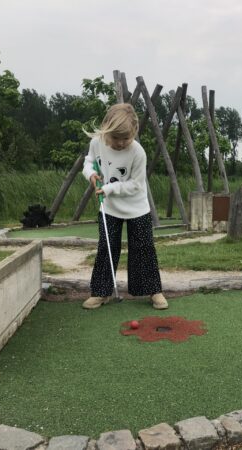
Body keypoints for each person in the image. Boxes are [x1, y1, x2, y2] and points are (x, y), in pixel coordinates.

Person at [81, 103, 168, 310]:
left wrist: (110, 189)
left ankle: (153, 291)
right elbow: (88, 163)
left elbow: (136, 185)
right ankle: (101, 292)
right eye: (115, 138)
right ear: (106, 130)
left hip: (136, 207)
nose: (120, 143)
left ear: (134, 132)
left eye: (125, 138)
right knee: (106, 247)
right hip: (109, 207)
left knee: (144, 248)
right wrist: (91, 175)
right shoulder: (97, 143)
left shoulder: (138, 152)